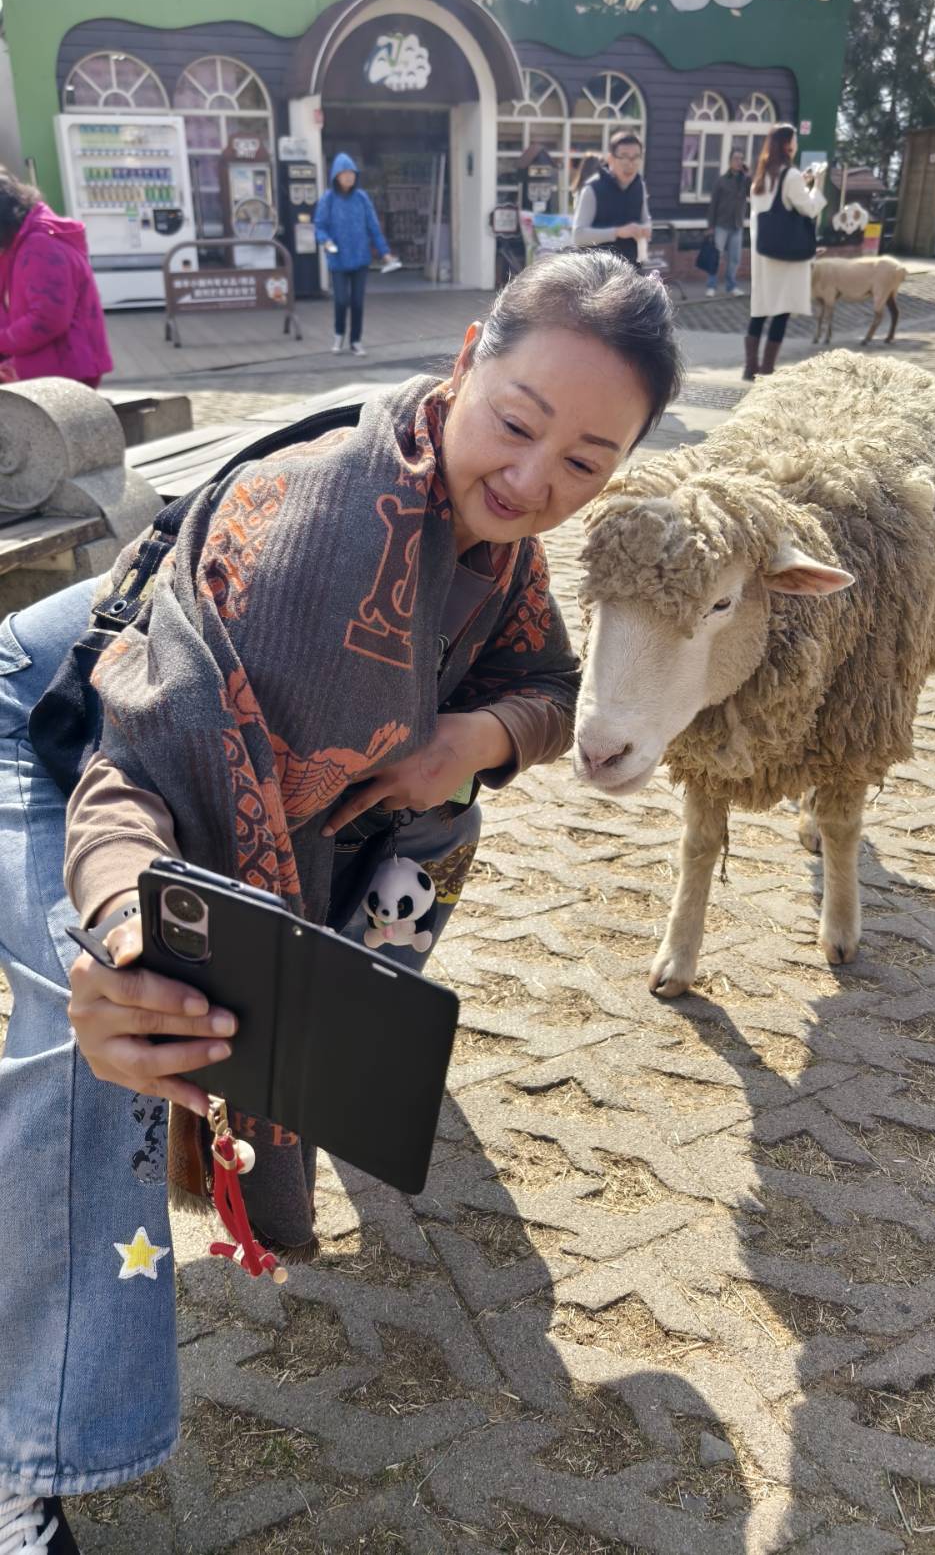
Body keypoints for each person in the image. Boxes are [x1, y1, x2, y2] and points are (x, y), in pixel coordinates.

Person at [0, 249, 682, 1550]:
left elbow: (548, 681)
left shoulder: (490, 543)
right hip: (53, 727)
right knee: (106, 1048)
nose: (535, 480)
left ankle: (315, 1045)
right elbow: (129, 781)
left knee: (426, 826)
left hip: (166, 720)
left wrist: (468, 740)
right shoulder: (325, 547)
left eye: (586, 461)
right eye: (520, 422)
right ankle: (23, 1451)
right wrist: (126, 938)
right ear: (467, 357)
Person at [0, 168, 112, 387]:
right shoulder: (19, 242)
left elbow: (47, 319)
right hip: (41, 370)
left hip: (61, 377)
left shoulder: (41, 246)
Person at [744, 122, 826, 380]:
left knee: (760, 309)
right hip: (786, 255)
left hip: (764, 253)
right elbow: (808, 208)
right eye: (794, 140)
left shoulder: (760, 178)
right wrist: (818, 184)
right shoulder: (790, 176)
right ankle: (767, 368)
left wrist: (801, 182)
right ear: (788, 145)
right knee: (782, 309)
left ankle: (750, 366)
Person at [313, 152, 393, 357]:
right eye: (345, 173)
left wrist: (385, 253)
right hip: (338, 259)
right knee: (341, 300)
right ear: (336, 176)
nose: (349, 177)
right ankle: (338, 334)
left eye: (352, 173)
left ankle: (355, 341)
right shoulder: (328, 199)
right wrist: (326, 240)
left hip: (360, 258)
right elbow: (319, 226)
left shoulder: (361, 198)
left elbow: (373, 227)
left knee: (357, 302)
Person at [572, 131, 652, 267]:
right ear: (610, 159)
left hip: (631, 269)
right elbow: (578, 236)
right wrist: (617, 232)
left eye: (636, 157)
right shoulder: (592, 189)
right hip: (598, 272)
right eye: (624, 157)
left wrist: (645, 229)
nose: (631, 164)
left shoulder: (639, 185)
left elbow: (645, 220)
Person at [704, 148, 749, 297]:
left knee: (734, 259)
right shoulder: (721, 180)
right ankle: (711, 286)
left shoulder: (745, 181)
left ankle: (731, 286)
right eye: (736, 158)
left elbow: (755, 191)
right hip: (721, 225)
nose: (739, 161)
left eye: (741, 159)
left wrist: (747, 174)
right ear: (730, 161)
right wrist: (710, 226)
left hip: (737, 225)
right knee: (716, 256)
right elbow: (713, 205)